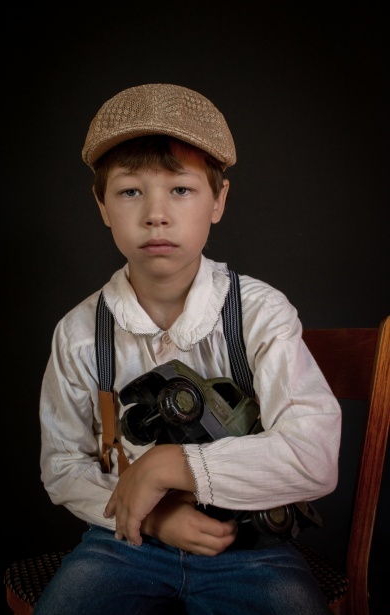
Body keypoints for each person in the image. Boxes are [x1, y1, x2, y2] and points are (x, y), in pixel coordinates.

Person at [35, 83, 341, 615]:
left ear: (218, 200)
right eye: (131, 191)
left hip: (250, 550)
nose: (156, 214)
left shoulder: (259, 312)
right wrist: (152, 516)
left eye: (180, 189)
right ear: (101, 204)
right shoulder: (81, 333)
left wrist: (167, 466)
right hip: (124, 542)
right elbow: (63, 463)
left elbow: (314, 457)